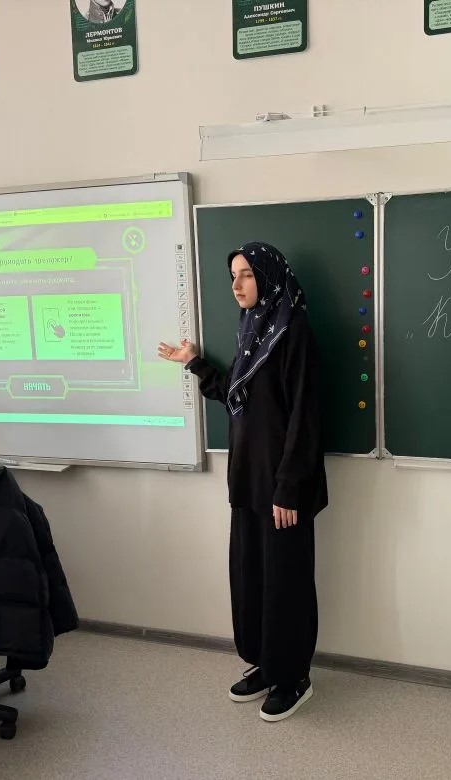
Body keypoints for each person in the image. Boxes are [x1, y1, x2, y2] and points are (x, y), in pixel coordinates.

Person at [158, 241, 327, 722]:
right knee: (252, 579)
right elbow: (238, 396)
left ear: (268, 277)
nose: (236, 284)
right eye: (233, 275)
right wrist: (195, 363)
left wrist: (288, 489)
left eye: (247, 274)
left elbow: (305, 418)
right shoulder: (253, 328)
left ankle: (293, 676)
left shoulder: (293, 332)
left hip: (284, 490)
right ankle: (265, 663)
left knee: (286, 585)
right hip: (248, 483)